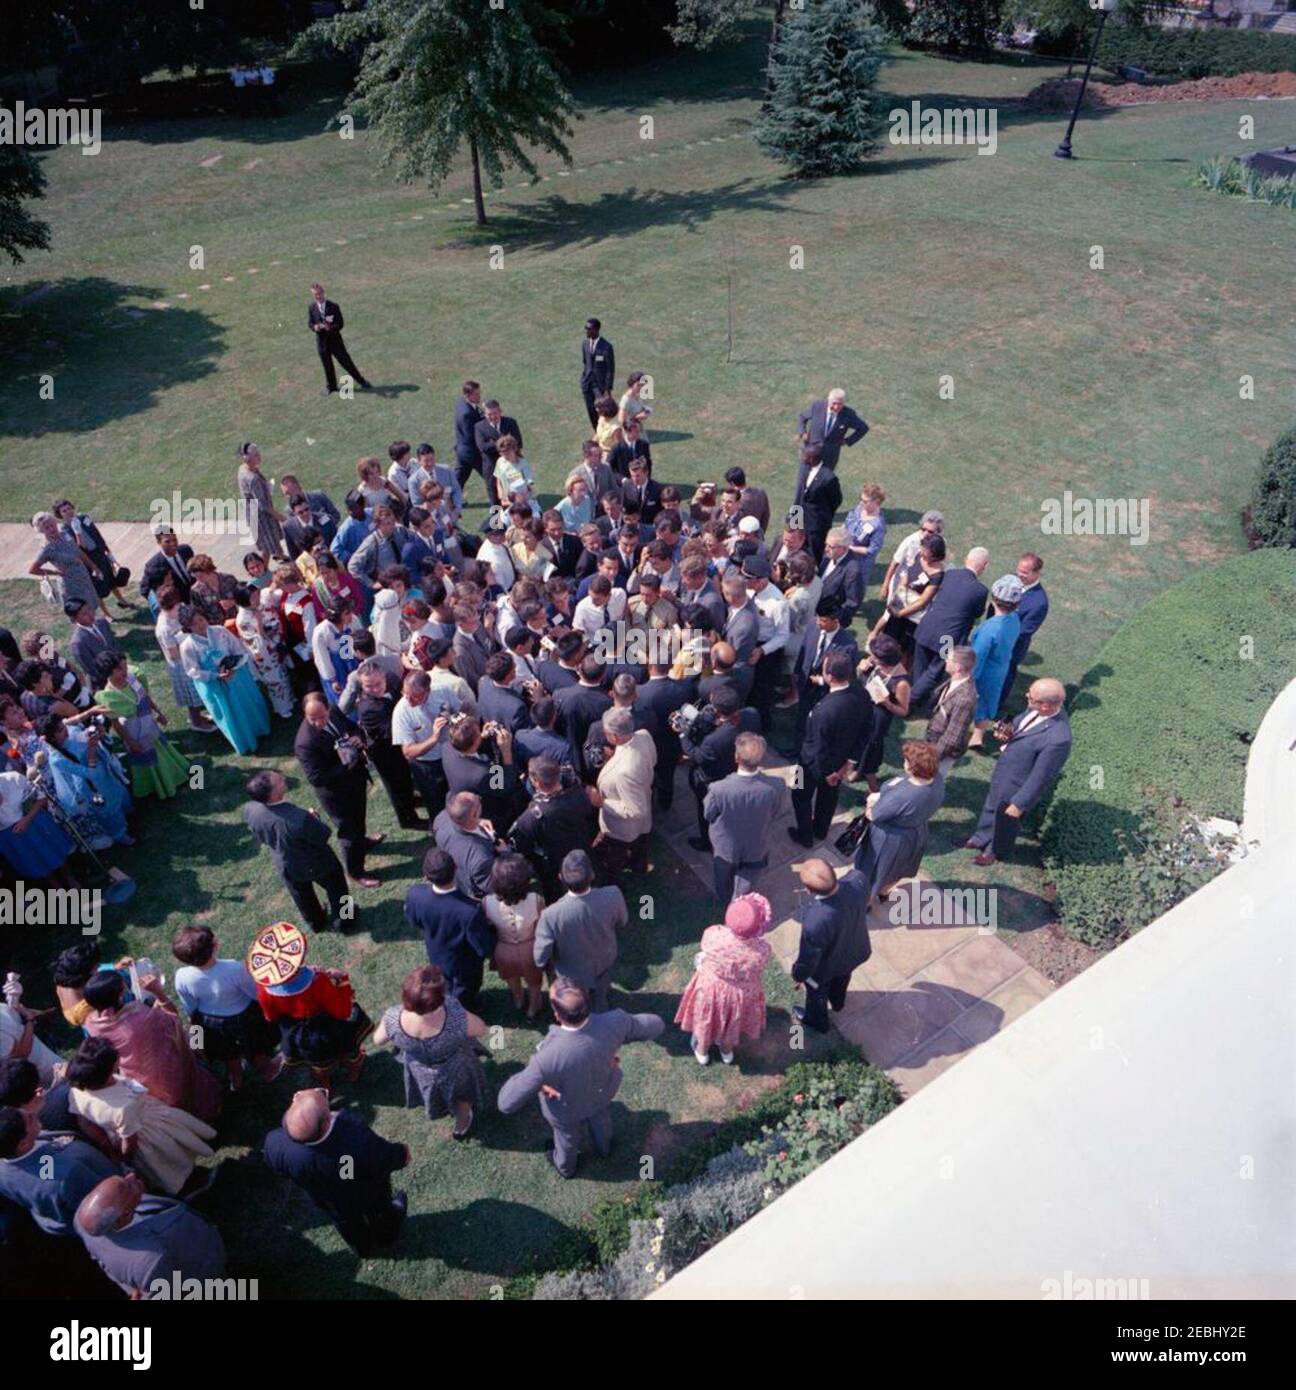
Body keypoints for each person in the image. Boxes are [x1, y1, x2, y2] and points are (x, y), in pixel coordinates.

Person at [498, 978, 663, 1179]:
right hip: (603, 1091)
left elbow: (506, 1103)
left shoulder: (545, 1058)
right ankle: (604, 1149)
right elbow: (656, 1025)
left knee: (566, 1139)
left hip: (566, 1108)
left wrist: (540, 1082)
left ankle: (566, 1168)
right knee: (601, 1119)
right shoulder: (615, 1021)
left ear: (557, 1014)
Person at [65, 1038, 216, 1197]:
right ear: (108, 1071)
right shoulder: (123, 1108)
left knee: (159, 1165)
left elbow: (84, 1122)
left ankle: (179, 1179)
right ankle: (189, 1184)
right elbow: (130, 1141)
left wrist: (106, 1144)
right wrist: (125, 1155)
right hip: (150, 1132)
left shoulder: (76, 1092)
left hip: (123, 1129)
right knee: (172, 1155)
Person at [264, 1089, 408, 1255]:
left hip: (329, 1200)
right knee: (379, 1210)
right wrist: (402, 1154)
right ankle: (386, 1237)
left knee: (346, 1222)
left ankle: (362, 1248)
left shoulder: (273, 1143)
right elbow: (382, 1158)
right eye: (324, 1095)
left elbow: (281, 1171)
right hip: (366, 1192)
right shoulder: (354, 1138)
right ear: (325, 1122)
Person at [82, 970, 221, 1126]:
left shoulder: (91, 1023)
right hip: (170, 1069)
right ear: (120, 994)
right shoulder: (142, 1017)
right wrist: (158, 992)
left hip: (138, 1079)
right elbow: (173, 1019)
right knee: (196, 1030)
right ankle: (206, 1064)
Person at [248, 922, 373, 1084]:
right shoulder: (317, 981)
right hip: (327, 1028)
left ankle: (324, 1081)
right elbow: (342, 1011)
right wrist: (342, 979)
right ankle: (354, 1070)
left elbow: (271, 1016)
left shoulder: (264, 987)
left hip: (297, 1033)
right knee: (347, 1048)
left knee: (316, 1062)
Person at [965, 678, 1072, 866]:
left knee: (1005, 818)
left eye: (1031, 697)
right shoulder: (1035, 709)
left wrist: (1019, 804)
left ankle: (995, 850)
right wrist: (1010, 732)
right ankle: (980, 838)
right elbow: (1021, 724)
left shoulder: (1059, 738)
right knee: (991, 805)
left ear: (1046, 706)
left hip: (1018, 785)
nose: (1026, 697)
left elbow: (1042, 776)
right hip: (1006, 771)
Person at [374, 965, 487, 1141]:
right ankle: (462, 1123)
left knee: (434, 1094)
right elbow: (480, 1029)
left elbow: (378, 1040)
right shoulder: (454, 1015)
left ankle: (444, 1111)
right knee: (462, 1097)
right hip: (457, 1068)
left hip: (421, 1070)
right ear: (439, 1000)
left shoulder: (392, 1018)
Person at [74, 1171, 226, 1299]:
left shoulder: (82, 1221)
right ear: (125, 1214)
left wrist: (131, 1286)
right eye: (127, 1187)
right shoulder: (153, 1259)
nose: (132, 1175)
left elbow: (100, 1259)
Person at [172, 925, 282, 1092]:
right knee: (255, 1047)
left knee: (228, 1052)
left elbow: (190, 1005)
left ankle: (236, 1077)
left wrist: (195, 1025)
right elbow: (254, 993)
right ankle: (265, 1069)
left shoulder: (181, 976)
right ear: (215, 945)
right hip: (244, 1018)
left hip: (210, 1022)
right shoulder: (234, 968)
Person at [243, 770, 353, 935]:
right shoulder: (299, 819)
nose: (284, 778)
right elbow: (323, 835)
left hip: (285, 864)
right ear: (273, 795)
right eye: (279, 781)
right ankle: (344, 920)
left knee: (302, 896)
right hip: (317, 862)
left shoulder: (250, 810)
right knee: (337, 887)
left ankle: (316, 923)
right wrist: (314, 818)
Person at [674, 893, 773, 1067]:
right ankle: (726, 1050)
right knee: (733, 1021)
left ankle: (702, 1050)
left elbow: (706, 948)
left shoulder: (713, 935)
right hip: (741, 995)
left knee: (706, 1018)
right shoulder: (762, 951)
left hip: (711, 988)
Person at [295, 693, 381, 888]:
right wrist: (346, 765)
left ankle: (363, 842)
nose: (319, 722)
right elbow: (316, 778)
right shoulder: (304, 743)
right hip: (336, 794)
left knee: (359, 819)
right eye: (312, 718)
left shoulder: (334, 710)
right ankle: (355, 872)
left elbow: (352, 727)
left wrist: (358, 738)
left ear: (327, 708)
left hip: (355, 781)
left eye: (322, 716)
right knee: (348, 833)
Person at [789, 650, 873, 848]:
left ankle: (805, 835)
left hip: (807, 765)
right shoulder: (862, 694)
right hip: (841, 762)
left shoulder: (823, 711)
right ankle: (820, 830)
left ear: (830, 677)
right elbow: (866, 730)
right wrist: (850, 763)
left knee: (798, 794)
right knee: (828, 797)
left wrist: (828, 772)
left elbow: (818, 747)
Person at [0, 1105, 121, 1237]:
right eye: (30, 1119)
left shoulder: (6, 1161)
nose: (34, 1113)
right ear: (22, 1144)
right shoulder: (66, 1175)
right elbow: (103, 1206)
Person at [855, 740, 947, 903]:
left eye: (907, 760)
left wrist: (871, 801)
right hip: (916, 832)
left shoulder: (903, 796)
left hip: (889, 839)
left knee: (874, 871)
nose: (904, 762)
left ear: (914, 767)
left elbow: (873, 815)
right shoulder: (937, 780)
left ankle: (866, 903)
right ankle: (884, 892)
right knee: (898, 869)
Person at [533, 851, 625, 1013]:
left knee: (577, 997)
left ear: (560, 878)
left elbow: (540, 957)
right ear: (592, 874)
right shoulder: (613, 894)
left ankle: (581, 1014)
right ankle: (601, 1003)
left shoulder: (551, 915)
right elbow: (622, 920)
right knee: (601, 984)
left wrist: (542, 963)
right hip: (604, 958)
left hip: (571, 970)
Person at [404, 849, 496, 1007]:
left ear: (426, 876)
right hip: (465, 965)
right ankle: (462, 1010)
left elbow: (413, 920)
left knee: (446, 985)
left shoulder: (415, 894)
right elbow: (483, 947)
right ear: (455, 868)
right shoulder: (470, 911)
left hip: (436, 954)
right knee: (465, 992)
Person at [92, 654, 189, 801]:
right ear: (108, 673)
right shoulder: (107, 696)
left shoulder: (131, 678)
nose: (125, 670)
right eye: (119, 669)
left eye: (125, 666)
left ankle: (173, 773)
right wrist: (130, 742)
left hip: (149, 724)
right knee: (147, 757)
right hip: (134, 732)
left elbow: (144, 697)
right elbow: (116, 724)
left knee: (160, 748)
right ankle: (160, 785)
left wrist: (158, 712)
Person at [789, 862, 872, 1033]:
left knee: (816, 992)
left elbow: (809, 958)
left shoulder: (815, 921)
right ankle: (838, 1002)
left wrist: (799, 975)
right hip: (856, 950)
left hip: (827, 967)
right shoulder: (858, 880)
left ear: (808, 890)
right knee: (843, 977)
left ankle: (816, 1020)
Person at [703, 732, 786, 901]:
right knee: (748, 881)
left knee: (722, 878)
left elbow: (708, 814)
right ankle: (740, 904)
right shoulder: (777, 786)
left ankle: (725, 899)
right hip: (756, 845)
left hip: (725, 847)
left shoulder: (718, 789)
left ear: (736, 757)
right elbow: (775, 812)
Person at [178, 604, 271, 754]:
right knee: (229, 713)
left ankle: (259, 729)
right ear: (187, 627)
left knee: (247, 703)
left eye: (201, 620)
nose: (200, 625)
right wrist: (215, 676)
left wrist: (233, 667)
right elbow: (192, 670)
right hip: (215, 685)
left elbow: (238, 649)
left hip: (236, 677)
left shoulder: (220, 631)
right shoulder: (187, 646)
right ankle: (245, 741)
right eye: (194, 624)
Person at [908, 546, 991, 711]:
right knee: (935, 671)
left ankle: (915, 698)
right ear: (985, 566)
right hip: (948, 636)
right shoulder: (980, 591)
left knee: (920, 666)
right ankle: (909, 700)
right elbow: (977, 613)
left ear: (967, 559)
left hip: (927, 627)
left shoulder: (950, 574)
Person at [508, 755, 599, 901]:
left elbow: (521, 845)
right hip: (581, 847)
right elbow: (589, 812)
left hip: (553, 861)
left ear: (536, 782)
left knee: (553, 890)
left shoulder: (533, 816)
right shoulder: (579, 792)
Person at [682, 686, 761, 853]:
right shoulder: (752, 714)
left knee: (706, 810)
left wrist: (683, 735)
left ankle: (707, 842)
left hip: (714, 778)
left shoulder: (713, 741)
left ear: (717, 711)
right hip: (736, 771)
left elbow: (697, 756)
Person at [39, 713, 134, 850]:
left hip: (104, 773)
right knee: (106, 810)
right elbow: (90, 774)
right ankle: (119, 835)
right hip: (91, 788)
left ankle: (127, 820)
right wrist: (91, 748)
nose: (65, 730)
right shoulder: (57, 759)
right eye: (60, 730)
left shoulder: (72, 732)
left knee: (117, 794)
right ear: (52, 736)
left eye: (63, 726)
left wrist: (99, 734)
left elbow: (89, 738)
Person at [352, 660, 423, 828]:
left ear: (384, 676)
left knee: (406, 778)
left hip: (398, 745)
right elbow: (390, 732)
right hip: (385, 752)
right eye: (369, 686)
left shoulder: (391, 681)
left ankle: (412, 799)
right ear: (362, 686)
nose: (376, 689)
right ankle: (408, 819)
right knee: (396, 785)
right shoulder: (367, 708)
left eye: (378, 683)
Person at [590, 707, 656, 876]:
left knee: (615, 857)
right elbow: (652, 761)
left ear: (615, 737)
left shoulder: (624, 772)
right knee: (641, 846)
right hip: (644, 800)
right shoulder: (644, 735)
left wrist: (601, 802)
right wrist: (614, 758)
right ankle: (639, 868)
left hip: (623, 828)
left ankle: (615, 877)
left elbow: (635, 810)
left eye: (606, 732)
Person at [482, 854, 547, 1016]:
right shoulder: (536, 900)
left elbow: (487, 925)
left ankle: (518, 998)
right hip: (530, 950)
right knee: (534, 981)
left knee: (510, 977)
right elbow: (541, 925)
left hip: (503, 950)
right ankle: (534, 1006)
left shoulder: (487, 903)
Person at [967, 575, 1024, 748]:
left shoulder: (990, 628)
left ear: (994, 599)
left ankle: (966, 734)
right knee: (988, 702)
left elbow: (978, 656)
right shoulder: (1014, 620)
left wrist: (968, 678)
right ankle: (978, 736)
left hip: (984, 671)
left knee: (970, 701)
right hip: (1000, 669)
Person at [0, 765, 77, 886]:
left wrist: (26, 819)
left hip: (34, 820)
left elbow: (41, 798)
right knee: (33, 863)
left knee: (55, 851)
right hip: (10, 835)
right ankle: (56, 886)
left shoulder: (13, 778)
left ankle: (70, 878)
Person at [153, 587, 217, 733]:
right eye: (174, 607)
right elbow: (173, 654)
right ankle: (196, 721)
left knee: (199, 691)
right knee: (192, 697)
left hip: (192, 655)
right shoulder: (164, 627)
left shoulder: (179, 608)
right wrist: (186, 638)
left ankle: (201, 716)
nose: (179, 608)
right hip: (181, 665)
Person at [54, 499, 134, 614]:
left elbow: (97, 535)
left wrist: (107, 551)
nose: (68, 512)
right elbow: (78, 548)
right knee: (97, 588)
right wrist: (77, 532)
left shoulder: (83, 518)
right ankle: (107, 614)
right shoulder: (64, 531)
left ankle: (122, 601)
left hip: (99, 553)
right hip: (87, 560)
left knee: (111, 579)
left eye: (69, 508)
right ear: (60, 514)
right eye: (64, 511)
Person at [856, 633, 911, 794]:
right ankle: (857, 769)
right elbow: (862, 679)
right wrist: (860, 669)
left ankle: (873, 789)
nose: (871, 658)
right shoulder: (874, 663)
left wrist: (886, 703)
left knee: (869, 751)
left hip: (878, 718)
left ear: (885, 660)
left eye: (874, 656)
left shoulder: (901, 683)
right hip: (864, 708)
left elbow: (904, 711)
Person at [232, 583, 294, 718]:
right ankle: (282, 708)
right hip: (264, 654)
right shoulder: (243, 619)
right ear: (244, 600)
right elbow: (254, 642)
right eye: (253, 597)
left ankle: (290, 699)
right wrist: (259, 623)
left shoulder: (258, 606)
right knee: (274, 680)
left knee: (283, 674)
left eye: (256, 595)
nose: (257, 598)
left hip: (275, 645)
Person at [28, 511, 105, 621]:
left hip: (82, 574)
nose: (51, 529)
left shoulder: (65, 534)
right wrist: (55, 572)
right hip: (69, 581)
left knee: (91, 602)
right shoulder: (47, 548)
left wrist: (94, 567)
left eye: (52, 525)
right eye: (47, 528)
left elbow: (78, 551)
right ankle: (88, 631)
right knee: (79, 609)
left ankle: (96, 626)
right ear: (41, 531)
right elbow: (33, 570)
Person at [795, 388, 868, 498]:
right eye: (834, 403)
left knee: (820, 486)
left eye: (840, 404)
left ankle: (815, 512)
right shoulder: (817, 407)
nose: (837, 407)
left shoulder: (848, 414)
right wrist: (802, 432)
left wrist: (848, 441)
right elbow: (802, 417)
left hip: (829, 457)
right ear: (828, 400)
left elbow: (863, 428)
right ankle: (797, 513)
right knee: (802, 484)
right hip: (810, 454)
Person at [999, 553, 1049, 716]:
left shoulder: (1039, 602)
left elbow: (1025, 631)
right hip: (995, 637)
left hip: (1011, 647)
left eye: (1025, 573)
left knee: (1004, 677)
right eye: (1019, 570)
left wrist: (1000, 635)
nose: (1019, 575)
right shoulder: (1010, 581)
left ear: (1037, 573)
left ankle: (995, 706)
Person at [432, 792, 500, 901]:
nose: (479, 796)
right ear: (474, 814)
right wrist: (506, 853)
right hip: (474, 887)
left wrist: (477, 821)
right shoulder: (481, 858)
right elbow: (492, 886)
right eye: (479, 801)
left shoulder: (441, 819)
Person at [925, 646, 979, 777]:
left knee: (931, 781)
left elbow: (952, 737)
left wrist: (930, 759)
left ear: (958, 668)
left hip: (942, 751)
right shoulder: (955, 681)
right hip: (934, 741)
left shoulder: (964, 698)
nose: (945, 661)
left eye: (949, 660)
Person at [308, 282, 371, 395]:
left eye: (319, 293)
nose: (318, 296)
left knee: (346, 362)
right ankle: (331, 387)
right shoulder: (312, 308)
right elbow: (310, 323)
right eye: (315, 295)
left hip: (335, 341)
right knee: (327, 365)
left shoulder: (333, 306)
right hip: (322, 343)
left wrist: (330, 327)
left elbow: (340, 324)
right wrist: (315, 327)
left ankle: (361, 381)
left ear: (323, 292)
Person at [797, 446, 844, 561]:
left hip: (816, 526)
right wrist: (794, 521)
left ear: (812, 459)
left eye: (805, 455)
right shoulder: (805, 470)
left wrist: (821, 517)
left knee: (814, 554)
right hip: (800, 519)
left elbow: (836, 500)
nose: (802, 457)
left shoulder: (829, 478)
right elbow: (799, 497)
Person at [65, 599, 121, 685]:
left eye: (89, 609)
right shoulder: (78, 643)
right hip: (106, 683)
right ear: (74, 619)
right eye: (84, 614)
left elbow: (114, 645)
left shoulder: (102, 623)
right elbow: (91, 669)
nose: (90, 614)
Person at [817, 528, 866, 626]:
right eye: (826, 544)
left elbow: (852, 603)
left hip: (830, 621)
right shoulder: (829, 555)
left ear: (844, 548)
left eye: (831, 546)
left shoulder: (853, 571)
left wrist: (832, 621)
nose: (826, 549)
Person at [843, 483, 887, 587]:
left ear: (876, 502)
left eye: (865, 501)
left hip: (859, 564)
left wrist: (851, 548)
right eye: (861, 499)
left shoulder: (878, 525)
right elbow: (848, 523)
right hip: (845, 553)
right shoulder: (859, 508)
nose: (861, 503)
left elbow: (872, 550)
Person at [140, 526, 195, 608]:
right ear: (159, 542)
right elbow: (144, 590)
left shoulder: (185, 550)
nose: (173, 544)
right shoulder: (153, 566)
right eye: (167, 542)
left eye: (174, 540)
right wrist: (163, 587)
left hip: (196, 592)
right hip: (179, 602)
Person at [580, 318, 616, 427]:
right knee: (590, 409)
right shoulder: (585, 344)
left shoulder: (606, 347)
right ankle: (597, 431)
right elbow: (585, 362)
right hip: (587, 383)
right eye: (585, 328)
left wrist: (607, 389)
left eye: (588, 329)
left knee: (603, 409)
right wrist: (583, 379)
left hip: (599, 385)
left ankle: (608, 430)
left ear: (596, 330)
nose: (586, 331)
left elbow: (610, 369)